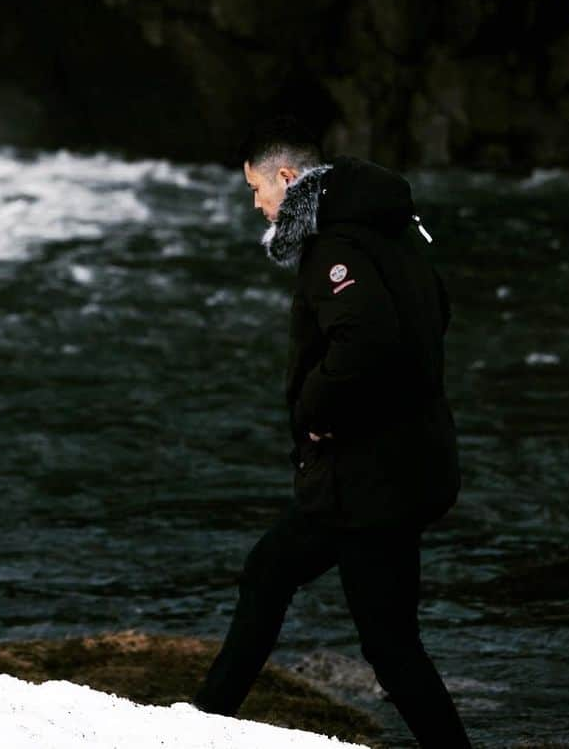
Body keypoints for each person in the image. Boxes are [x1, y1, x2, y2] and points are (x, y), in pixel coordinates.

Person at [192, 116, 473, 748]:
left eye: (255, 189)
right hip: (400, 463)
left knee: (382, 640)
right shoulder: (393, 231)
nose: (257, 204)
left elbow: (365, 340)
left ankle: (200, 723)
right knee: (287, 582)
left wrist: (317, 414)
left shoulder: (337, 246)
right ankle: (203, 719)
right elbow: (436, 313)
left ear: (287, 179)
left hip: (366, 480)